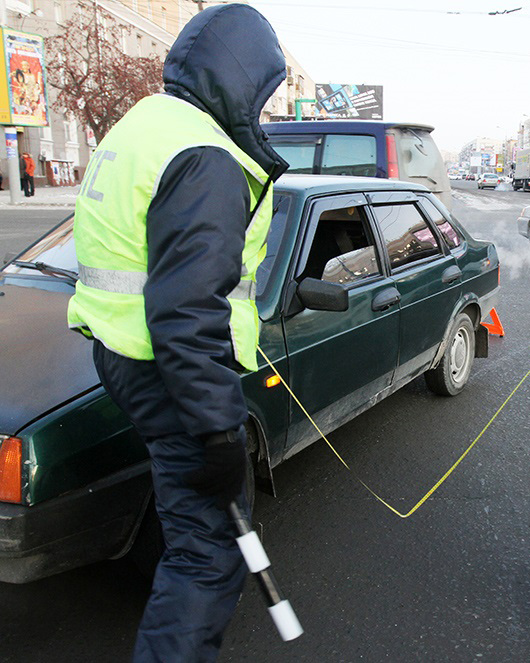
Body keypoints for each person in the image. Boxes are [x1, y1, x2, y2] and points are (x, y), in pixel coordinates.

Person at [66, 5, 288, 660]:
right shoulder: (207, 156)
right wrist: (218, 427)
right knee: (209, 553)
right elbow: (186, 308)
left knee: (193, 523)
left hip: (123, 352)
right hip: (171, 372)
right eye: (264, 93)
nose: (265, 108)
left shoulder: (145, 124)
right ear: (241, 77)